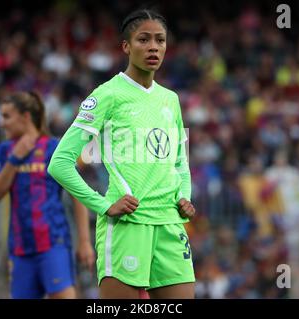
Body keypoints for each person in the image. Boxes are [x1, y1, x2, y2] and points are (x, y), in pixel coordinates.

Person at [48, 9, 196, 299]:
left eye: (160, 40)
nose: (153, 47)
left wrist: (185, 196)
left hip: (169, 223)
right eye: (143, 39)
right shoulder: (107, 95)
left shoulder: (171, 99)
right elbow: (60, 163)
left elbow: (181, 161)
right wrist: (103, 205)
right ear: (126, 47)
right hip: (129, 225)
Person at [0, 91, 95, 299]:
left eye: (7, 116)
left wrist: (84, 241)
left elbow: (77, 195)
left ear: (26, 117)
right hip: (20, 248)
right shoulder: (4, 151)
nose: (3, 123)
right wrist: (15, 159)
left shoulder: (54, 148)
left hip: (54, 243)